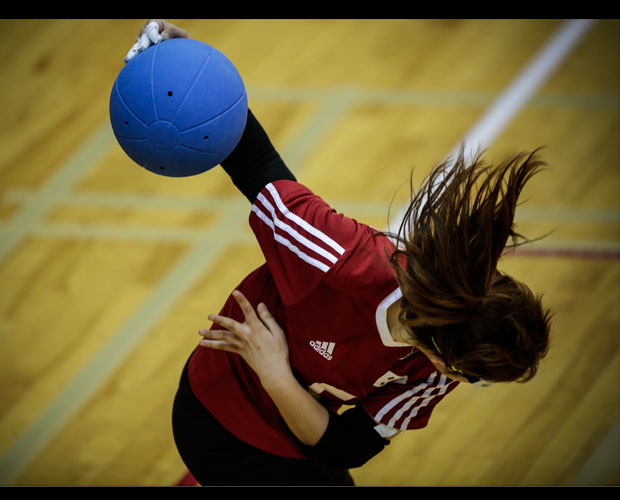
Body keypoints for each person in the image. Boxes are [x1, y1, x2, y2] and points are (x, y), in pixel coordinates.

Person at [125, 20, 552, 486]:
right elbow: (255, 165)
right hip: (222, 418)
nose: (468, 382)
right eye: (471, 376)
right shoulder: (341, 259)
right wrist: (190, 78)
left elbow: (344, 446)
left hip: (301, 434)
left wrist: (277, 374)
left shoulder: (436, 370)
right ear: (444, 355)